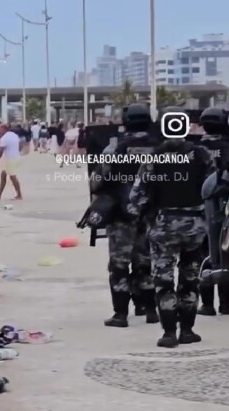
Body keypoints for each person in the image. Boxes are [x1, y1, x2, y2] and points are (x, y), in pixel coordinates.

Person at [129, 106, 214, 348]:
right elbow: (213, 188)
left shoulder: (154, 157)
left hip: (163, 225)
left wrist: (142, 216)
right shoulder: (202, 155)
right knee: (190, 278)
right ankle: (187, 330)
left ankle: (168, 333)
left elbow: (137, 196)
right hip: (196, 227)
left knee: (164, 279)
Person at [91, 103, 159, 328]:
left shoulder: (116, 149)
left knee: (119, 264)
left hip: (122, 213)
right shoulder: (160, 147)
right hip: (150, 213)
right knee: (145, 261)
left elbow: (97, 182)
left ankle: (120, 314)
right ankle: (150, 309)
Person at [198, 107, 229, 315]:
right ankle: (226, 304)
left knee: (203, 256)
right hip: (223, 207)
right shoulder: (227, 145)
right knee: (224, 253)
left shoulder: (195, 146)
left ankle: (207, 304)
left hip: (196, 208)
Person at [0, 124, 23, 200]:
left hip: (10, 159)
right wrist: (16, 151)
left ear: (4, 129)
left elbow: (1, 151)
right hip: (15, 157)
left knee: (13, 177)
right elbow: (20, 144)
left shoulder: (5, 138)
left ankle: (19, 194)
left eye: (0, 129)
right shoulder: (14, 135)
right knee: (3, 175)